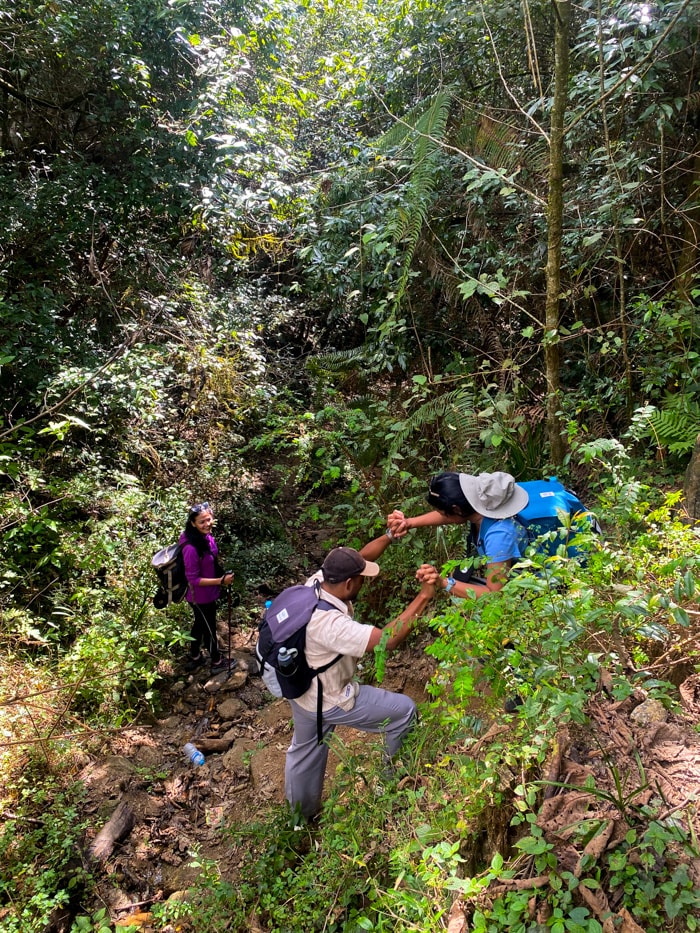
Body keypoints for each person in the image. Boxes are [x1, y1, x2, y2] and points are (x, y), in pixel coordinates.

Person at [284, 532, 436, 821]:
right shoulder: (331, 624)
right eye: (362, 577)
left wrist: (390, 535)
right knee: (404, 712)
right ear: (349, 583)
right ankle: (389, 785)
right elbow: (386, 641)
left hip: (300, 689)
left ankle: (298, 820)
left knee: (303, 752)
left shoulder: (317, 583)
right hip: (329, 698)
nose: (366, 580)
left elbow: (362, 557)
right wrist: (424, 597)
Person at [387, 471, 530, 598]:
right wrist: (409, 522)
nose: (442, 515)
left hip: (530, 581)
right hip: (505, 560)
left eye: (442, 512)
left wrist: (443, 583)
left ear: (457, 509)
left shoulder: (498, 535)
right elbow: (450, 515)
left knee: (459, 594)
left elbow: (495, 595)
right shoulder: (478, 502)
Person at [180, 501, 236, 673]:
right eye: (201, 522)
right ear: (193, 523)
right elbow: (193, 579)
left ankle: (195, 655)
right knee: (209, 626)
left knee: (199, 623)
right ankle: (217, 662)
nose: (206, 524)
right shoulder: (190, 547)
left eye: (208, 519)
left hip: (209, 592)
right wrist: (221, 581)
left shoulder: (206, 537)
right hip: (199, 596)